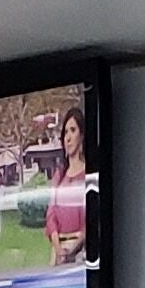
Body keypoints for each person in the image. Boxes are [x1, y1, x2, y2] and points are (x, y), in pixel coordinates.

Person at [47, 106, 92, 266]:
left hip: (82, 252)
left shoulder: (90, 175)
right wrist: (58, 248)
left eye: (72, 130)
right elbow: (50, 216)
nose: (68, 138)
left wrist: (75, 246)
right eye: (65, 132)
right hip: (58, 252)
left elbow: (92, 218)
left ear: (82, 135)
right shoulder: (59, 177)